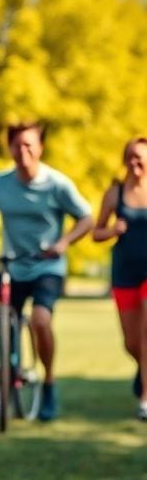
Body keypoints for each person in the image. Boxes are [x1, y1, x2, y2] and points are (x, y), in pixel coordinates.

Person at [0, 122, 93, 422]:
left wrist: (63, 242)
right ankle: (10, 372)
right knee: (3, 322)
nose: (23, 151)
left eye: (29, 145)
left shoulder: (57, 184)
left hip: (46, 266)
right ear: (9, 148)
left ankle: (48, 381)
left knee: (40, 320)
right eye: (17, 145)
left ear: (40, 147)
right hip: (11, 264)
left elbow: (86, 218)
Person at [92, 136, 147, 421]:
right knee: (131, 342)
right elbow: (96, 232)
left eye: (141, 157)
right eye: (131, 157)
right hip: (124, 271)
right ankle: (142, 369)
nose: (135, 162)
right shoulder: (114, 193)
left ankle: (145, 400)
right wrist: (113, 230)